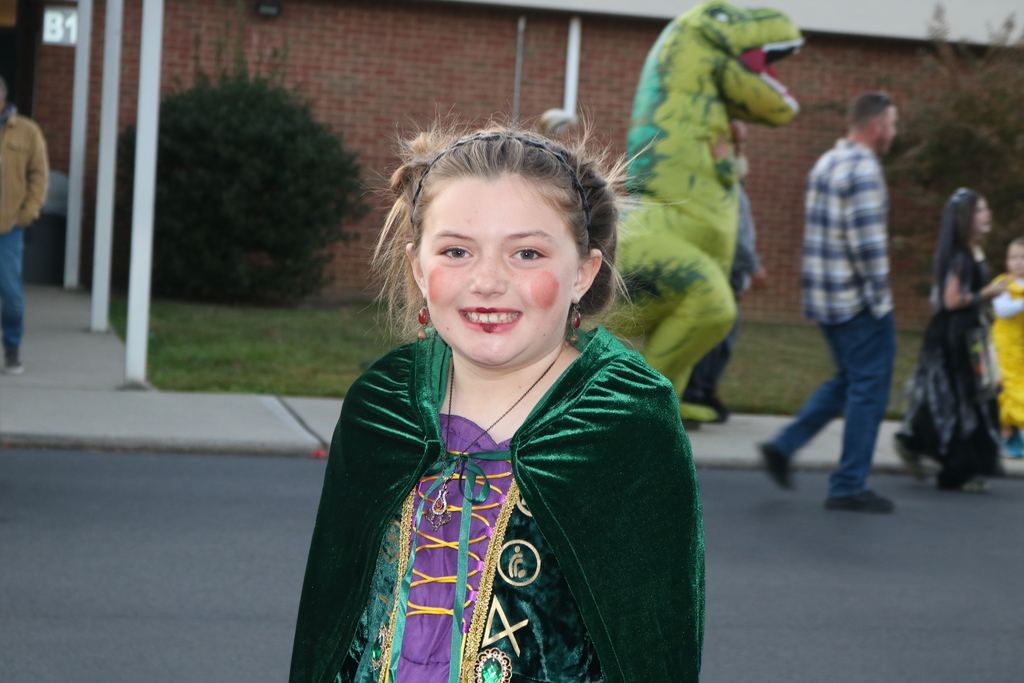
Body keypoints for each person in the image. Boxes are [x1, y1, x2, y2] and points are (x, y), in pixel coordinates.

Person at [289, 126, 704, 683]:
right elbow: (328, 621)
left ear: (583, 272)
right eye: (456, 251)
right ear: (418, 268)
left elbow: (654, 647)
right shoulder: (383, 404)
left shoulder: (625, 419)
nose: (486, 281)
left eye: (526, 253)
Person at [758, 92, 898, 513]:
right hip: (858, 302)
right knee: (869, 391)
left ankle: (784, 445)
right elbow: (868, 247)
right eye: (892, 124)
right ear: (876, 126)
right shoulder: (863, 170)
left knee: (849, 380)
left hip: (826, 298)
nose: (894, 132)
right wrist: (881, 302)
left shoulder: (827, 163)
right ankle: (848, 485)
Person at [895, 189, 1007, 492]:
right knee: (961, 399)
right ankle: (955, 469)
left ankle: (920, 444)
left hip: (971, 333)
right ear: (966, 218)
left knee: (974, 398)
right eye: (981, 210)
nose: (988, 214)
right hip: (955, 336)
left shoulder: (973, 251)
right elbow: (951, 300)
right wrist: (988, 293)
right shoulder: (960, 256)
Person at [683, 121, 767, 424]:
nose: (742, 152)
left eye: (744, 145)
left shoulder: (732, 183)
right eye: (737, 145)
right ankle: (696, 393)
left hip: (728, 268)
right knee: (718, 333)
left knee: (721, 333)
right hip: (725, 267)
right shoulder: (722, 184)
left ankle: (701, 390)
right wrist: (753, 267)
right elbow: (734, 234)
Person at [0, 75, 49, 375]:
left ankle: (12, 348)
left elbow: (39, 176)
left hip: (9, 227)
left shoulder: (27, 132)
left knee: (10, 293)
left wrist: (26, 214)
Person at [989, 238, 1024, 458]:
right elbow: (1002, 310)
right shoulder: (1002, 283)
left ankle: (1012, 437)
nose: (1018, 262)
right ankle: (1007, 434)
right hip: (1005, 348)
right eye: (1013, 257)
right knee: (1009, 392)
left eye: (1023, 257)